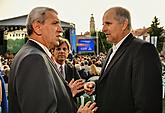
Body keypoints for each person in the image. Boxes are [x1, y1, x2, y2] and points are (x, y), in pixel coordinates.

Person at [8, 7, 97, 113]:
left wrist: (67, 92)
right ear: (37, 27)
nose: (60, 29)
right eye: (55, 23)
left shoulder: (34, 54)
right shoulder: (34, 59)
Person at [85, 6, 162, 113]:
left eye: (108, 23)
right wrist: (96, 86)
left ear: (124, 24)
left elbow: (148, 103)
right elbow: (120, 83)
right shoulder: (112, 51)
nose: (103, 29)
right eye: (103, 24)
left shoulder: (143, 50)